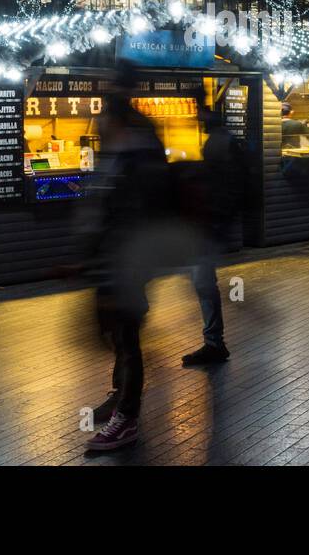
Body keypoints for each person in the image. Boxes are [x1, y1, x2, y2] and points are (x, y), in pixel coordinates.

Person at [80, 71, 171, 452]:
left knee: (127, 335)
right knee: (116, 333)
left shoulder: (136, 152)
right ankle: (120, 397)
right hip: (115, 258)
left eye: (104, 124)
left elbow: (135, 211)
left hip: (130, 258)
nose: (99, 130)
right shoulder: (121, 151)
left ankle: (127, 417)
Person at [181, 95, 243, 367]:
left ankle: (215, 344)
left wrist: (216, 218)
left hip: (211, 223)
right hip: (212, 222)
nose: (198, 119)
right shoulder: (221, 140)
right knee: (201, 280)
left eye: (201, 114)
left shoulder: (219, 142)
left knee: (203, 280)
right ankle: (214, 342)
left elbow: (222, 185)